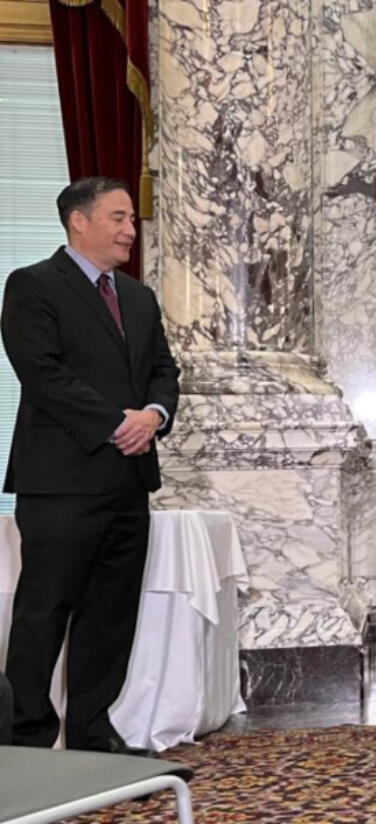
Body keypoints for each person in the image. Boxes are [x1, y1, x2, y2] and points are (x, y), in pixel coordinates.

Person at [2, 177, 180, 754]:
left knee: (110, 616)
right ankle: (25, 744)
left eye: (131, 218)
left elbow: (164, 372)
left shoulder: (139, 297)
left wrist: (153, 414)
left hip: (127, 484)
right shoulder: (31, 286)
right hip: (60, 485)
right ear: (79, 221)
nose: (131, 229)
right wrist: (117, 424)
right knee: (44, 613)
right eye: (119, 217)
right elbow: (43, 373)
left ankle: (92, 736)